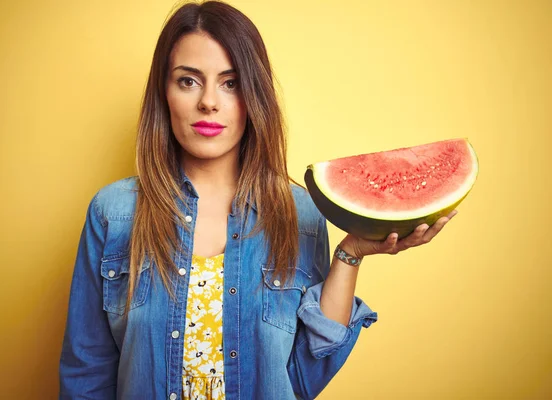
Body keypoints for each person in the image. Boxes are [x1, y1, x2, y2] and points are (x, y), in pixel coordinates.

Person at [59, 1, 457, 399]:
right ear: (164, 93)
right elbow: (87, 373)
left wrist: (350, 252)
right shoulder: (113, 213)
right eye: (188, 81)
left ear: (254, 96)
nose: (209, 102)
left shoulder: (300, 215)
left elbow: (302, 379)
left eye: (230, 83)